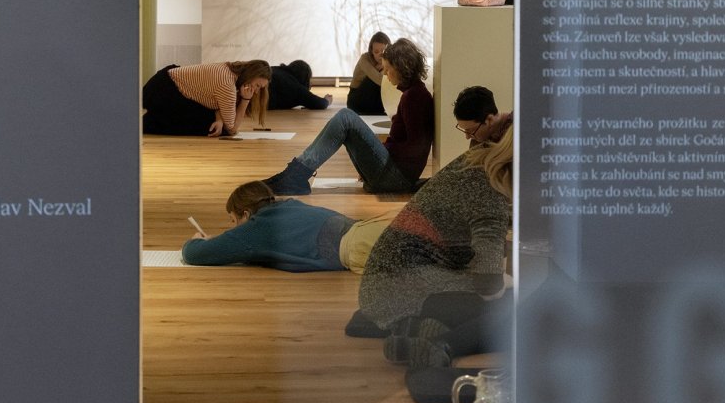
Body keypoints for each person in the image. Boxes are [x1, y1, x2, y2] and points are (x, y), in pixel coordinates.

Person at [356, 122, 513, 332]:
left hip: (381, 285)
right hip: (398, 292)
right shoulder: (490, 192)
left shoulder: (477, 162)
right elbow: (488, 284)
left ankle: (423, 332)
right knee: (515, 304)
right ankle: (425, 333)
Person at [263, 38, 434, 195]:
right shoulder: (413, 94)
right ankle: (295, 173)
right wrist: (375, 156)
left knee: (345, 118)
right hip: (394, 174)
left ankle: (296, 174)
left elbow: (415, 148)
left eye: (388, 69)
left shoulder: (415, 97)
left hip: (396, 178)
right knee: (345, 118)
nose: (385, 74)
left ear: (402, 67)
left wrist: (381, 157)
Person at [181, 180, 392, 273]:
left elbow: (195, 255)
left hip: (357, 247)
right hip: (363, 230)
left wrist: (195, 241)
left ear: (246, 214)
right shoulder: (287, 205)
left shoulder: (257, 227)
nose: (234, 228)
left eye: (234, 221)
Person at [142, 60, 270, 136]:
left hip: (165, 81)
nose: (256, 92)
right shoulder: (227, 85)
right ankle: (147, 123)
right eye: (258, 86)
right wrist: (246, 100)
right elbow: (232, 129)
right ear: (250, 75)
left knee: (216, 124)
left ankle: (151, 120)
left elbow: (217, 103)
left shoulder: (230, 70)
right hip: (162, 92)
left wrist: (219, 119)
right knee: (215, 129)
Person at [346, 31, 390, 115]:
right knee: (377, 79)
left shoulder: (390, 59)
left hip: (373, 99)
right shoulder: (364, 59)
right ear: (371, 51)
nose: (380, 55)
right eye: (376, 52)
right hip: (356, 101)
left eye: (383, 51)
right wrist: (384, 66)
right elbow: (380, 80)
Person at [268, 60, 332, 111]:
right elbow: (320, 104)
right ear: (305, 78)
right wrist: (327, 101)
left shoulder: (275, 69)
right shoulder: (296, 87)